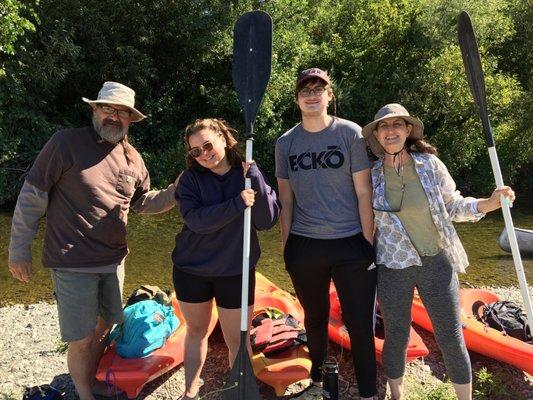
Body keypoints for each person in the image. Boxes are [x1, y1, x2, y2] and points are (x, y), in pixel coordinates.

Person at [7, 81, 180, 400]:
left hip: (114, 261)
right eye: (108, 108)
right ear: (94, 109)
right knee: (82, 336)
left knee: (105, 327)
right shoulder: (65, 144)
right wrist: (19, 249)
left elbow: (144, 203)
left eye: (123, 112)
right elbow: (33, 197)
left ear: (131, 119)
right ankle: (86, 393)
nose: (114, 116)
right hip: (72, 263)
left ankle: (91, 380)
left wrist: (175, 192)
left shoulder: (133, 159)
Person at [361, 103, 516, 400]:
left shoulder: (429, 165)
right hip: (393, 267)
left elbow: (455, 205)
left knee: (450, 335)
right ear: (377, 136)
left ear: (408, 131)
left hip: (437, 262)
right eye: (384, 126)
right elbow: (362, 218)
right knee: (396, 335)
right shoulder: (371, 176)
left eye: (397, 125)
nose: (391, 131)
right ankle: (397, 395)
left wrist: (489, 203)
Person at [275, 68, 377, 399]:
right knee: (315, 319)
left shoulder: (351, 134)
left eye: (319, 88)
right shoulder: (286, 143)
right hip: (305, 247)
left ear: (329, 96)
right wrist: (287, 247)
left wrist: (368, 241)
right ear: (297, 99)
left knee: (360, 324)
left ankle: (368, 391)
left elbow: (364, 192)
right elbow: (285, 199)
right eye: (305, 89)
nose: (312, 93)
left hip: (351, 245)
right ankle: (317, 383)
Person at [172, 118, 280, 400]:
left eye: (208, 145)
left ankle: (240, 390)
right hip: (191, 269)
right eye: (196, 151)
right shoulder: (190, 180)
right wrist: (236, 203)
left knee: (238, 339)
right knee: (196, 331)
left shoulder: (246, 174)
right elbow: (196, 221)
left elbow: (267, 220)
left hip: (236, 270)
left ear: (222, 137)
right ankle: (190, 388)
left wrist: (254, 175)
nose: (204, 154)